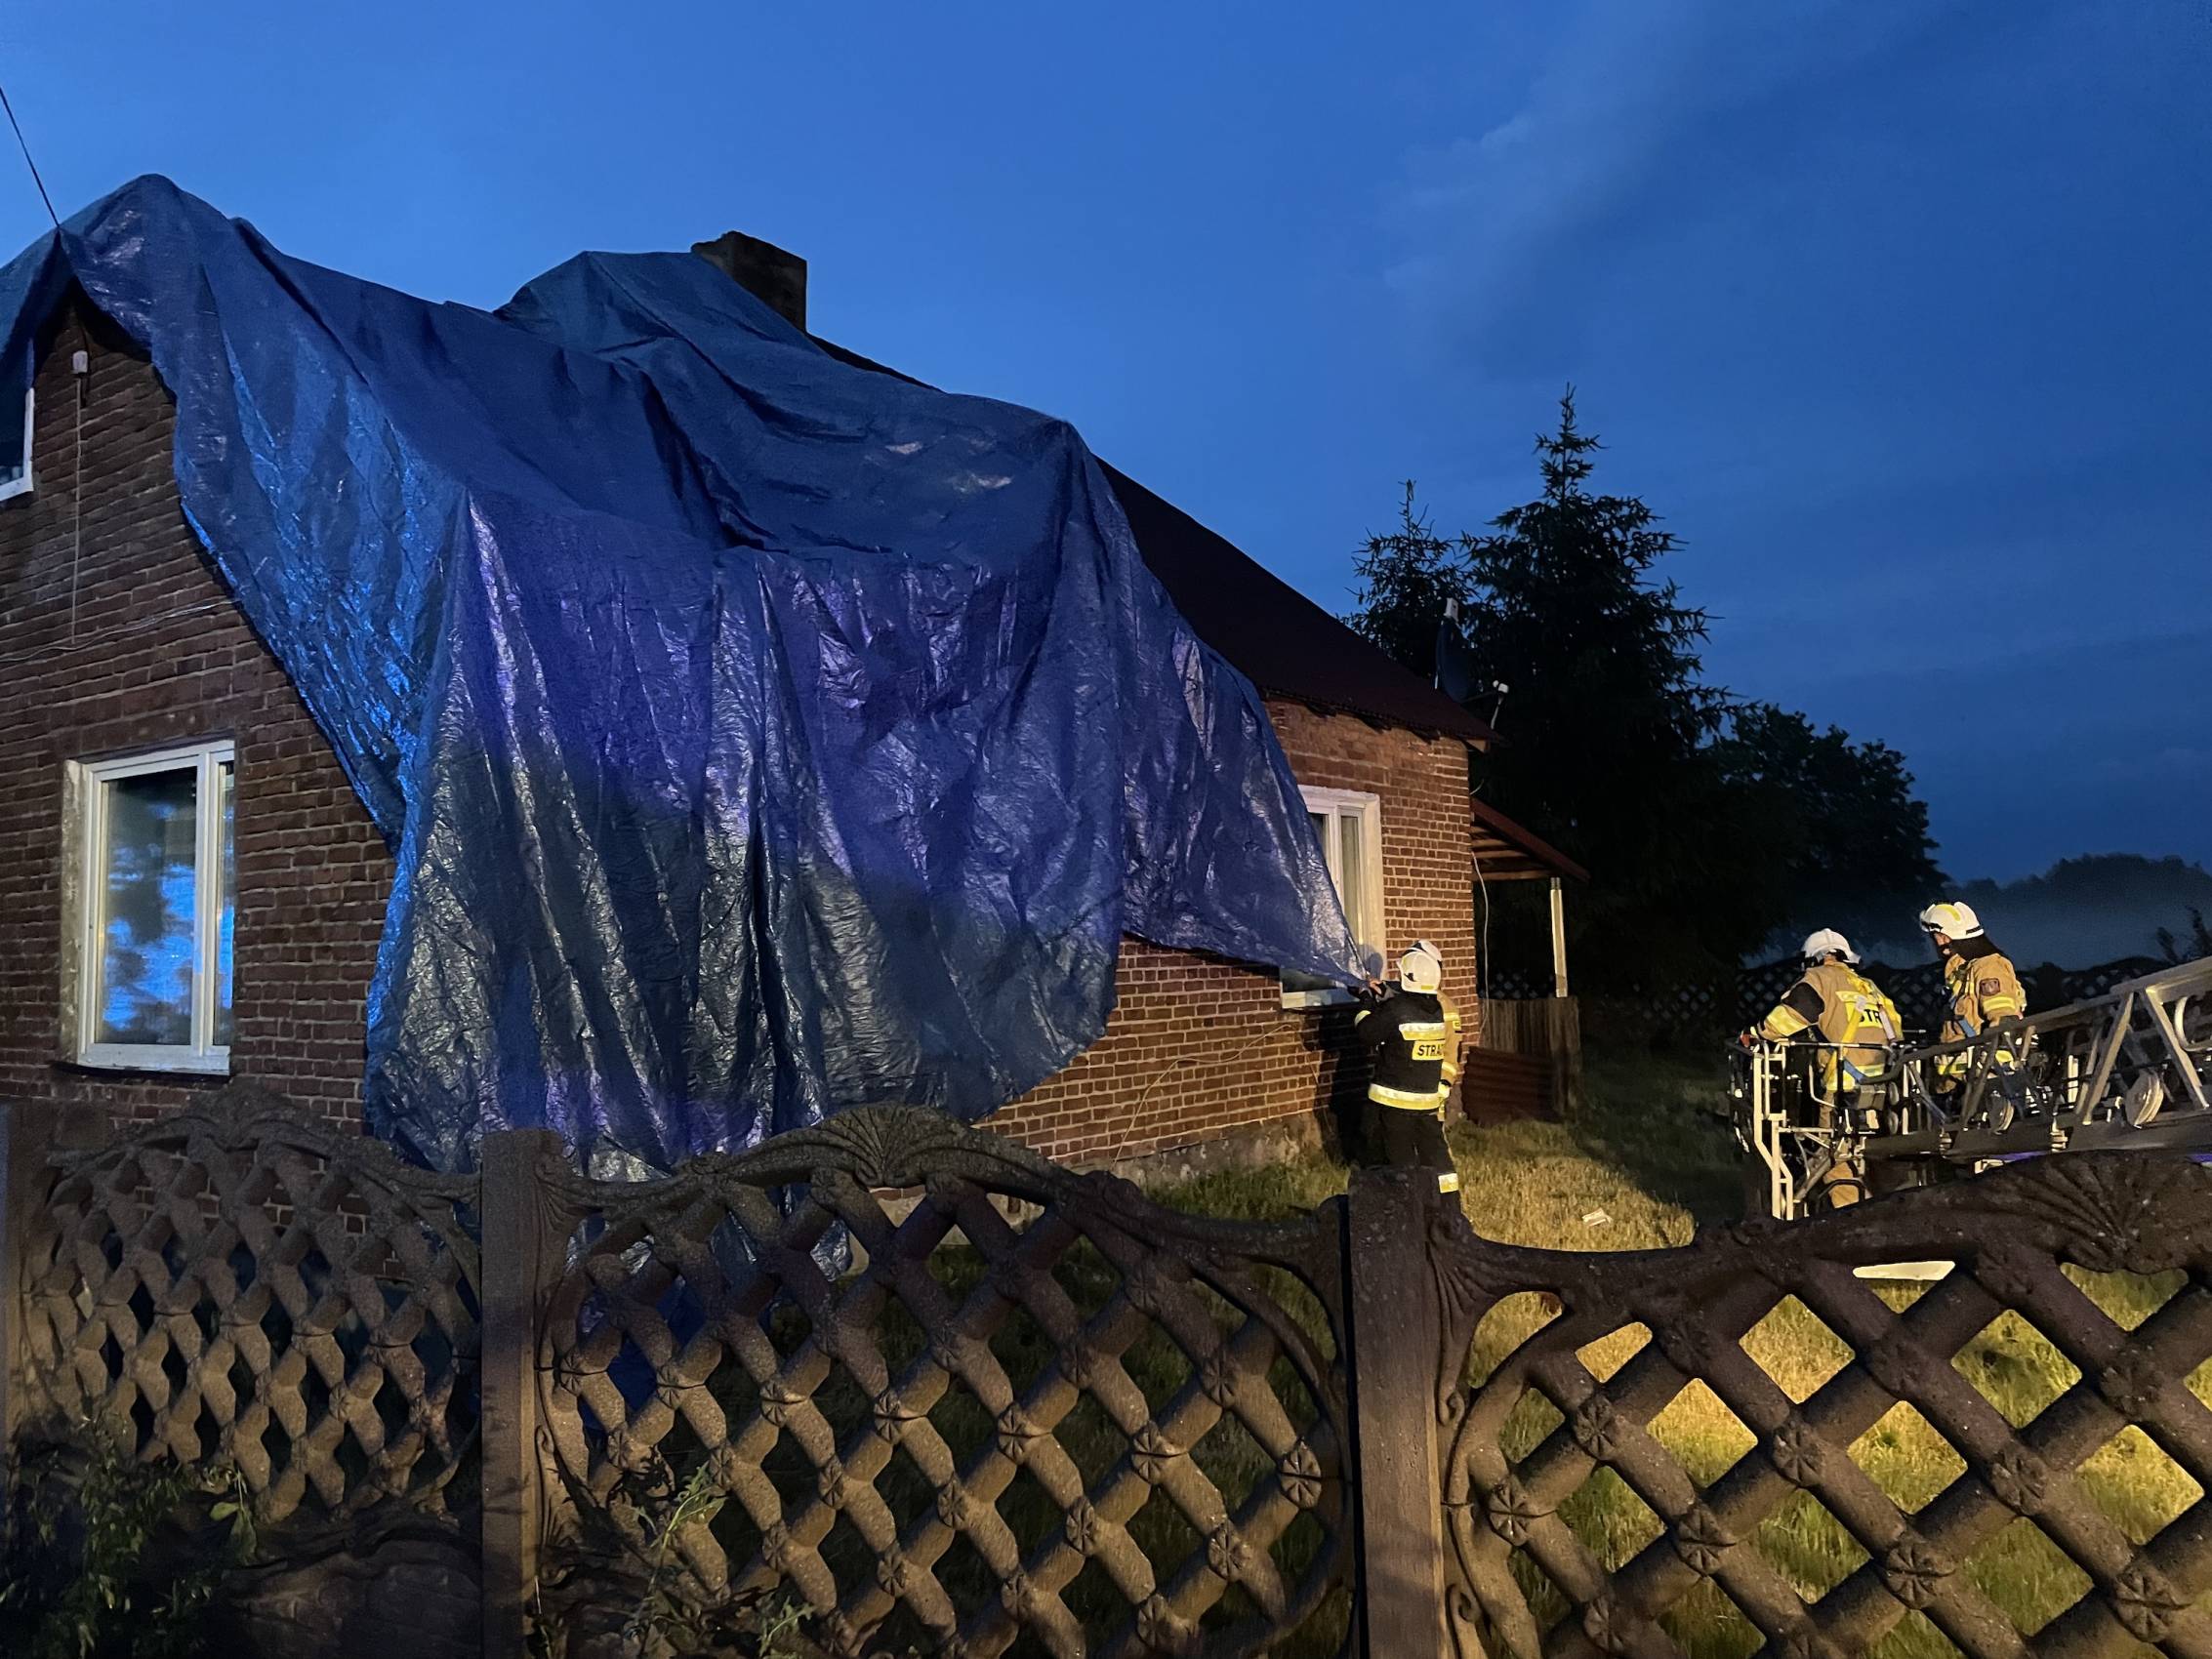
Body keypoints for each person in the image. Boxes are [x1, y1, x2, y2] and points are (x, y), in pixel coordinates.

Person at [1744, 929, 1902, 1206]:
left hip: (1843, 1088)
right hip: (1886, 1087)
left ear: (1811, 960)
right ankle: (1891, 1212)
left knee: (1834, 1160)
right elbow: (1895, 1030)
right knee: (1879, 1158)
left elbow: (1795, 1013)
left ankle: (1850, 1219)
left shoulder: (1819, 978)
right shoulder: (1869, 987)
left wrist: (1756, 1033)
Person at [1355, 940, 1460, 1195]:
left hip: (1395, 1103)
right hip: (1427, 1101)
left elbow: (1367, 1031)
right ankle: (1447, 1203)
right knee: (1435, 1157)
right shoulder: (1436, 1009)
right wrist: (1383, 990)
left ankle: (1407, 1204)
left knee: (1399, 1162)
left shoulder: (1399, 1009)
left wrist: (1365, 1000)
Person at [1918, 900, 2028, 1091]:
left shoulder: (1988, 967)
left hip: (1981, 1083)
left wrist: (1994, 1073)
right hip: (1957, 1084)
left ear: (1944, 937)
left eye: (1935, 937)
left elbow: (2003, 1019)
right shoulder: (1961, 972)